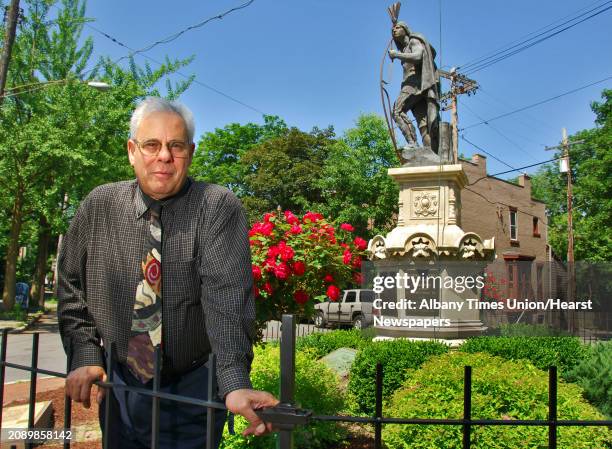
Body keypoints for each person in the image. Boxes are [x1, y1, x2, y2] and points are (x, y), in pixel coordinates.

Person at [58, 97, 278, 449]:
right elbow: (71, 286)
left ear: (190, 151)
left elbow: (227, 301)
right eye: (151, 145)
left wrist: (235, 382)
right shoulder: (98, 205)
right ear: (132, 151)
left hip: (191, 388)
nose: (164, 156)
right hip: (120, 386)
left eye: (175, 146)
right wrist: (85, 355)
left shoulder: (217, 206)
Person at [389, 21, 440, 152]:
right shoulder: (405, 48)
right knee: (424, 123)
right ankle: (432, 152)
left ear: (405, 29)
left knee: (397, 111)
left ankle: (412, 142)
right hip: (413, 85)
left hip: (415, 83)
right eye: (392, 29)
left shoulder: (414, 41)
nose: (394, 30)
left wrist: (397, 55)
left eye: (397, 27)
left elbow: (418, 56)